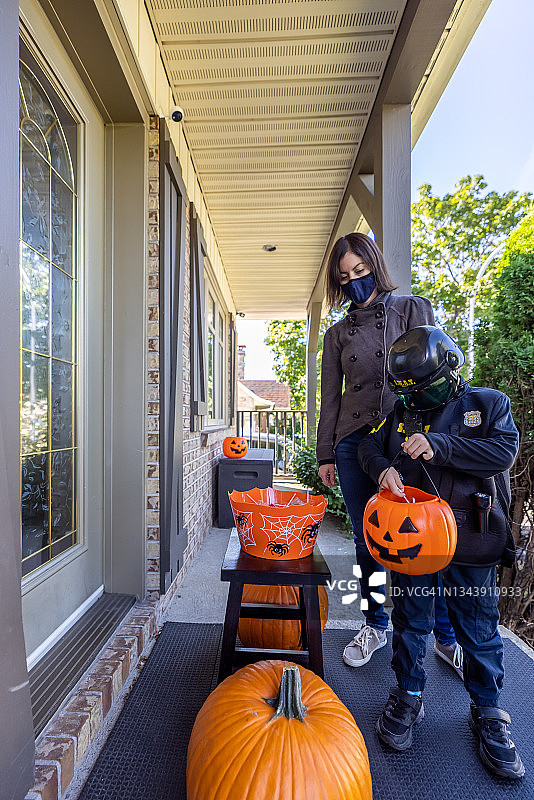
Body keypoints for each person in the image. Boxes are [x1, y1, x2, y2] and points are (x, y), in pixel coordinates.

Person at [358, 325, 524, 779]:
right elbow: (370, 445)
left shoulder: (488, 405)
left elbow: (502, 452)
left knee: (478, 627)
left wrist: (440, 444)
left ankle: (488, 712)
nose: (414, 400)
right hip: (413, 545)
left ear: (449, 371)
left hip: (473, 538)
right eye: (406, 392)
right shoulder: (401, 411)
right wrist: (382, 472)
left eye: (422, 389)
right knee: (411, 619)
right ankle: (408, 694)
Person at [316, 232, 462, 673]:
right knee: (368, 539)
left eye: (360, 271)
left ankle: (444, 633)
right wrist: (327, 452)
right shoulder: (337, 334)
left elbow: (436, 369)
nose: (354, 281)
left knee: (428, 537)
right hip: (353, 441)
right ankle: (376, 623)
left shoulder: (412, 308)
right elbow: (331, 398)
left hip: (406, 436)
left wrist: (441, 434)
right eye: (345, 277)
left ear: (374, 266)